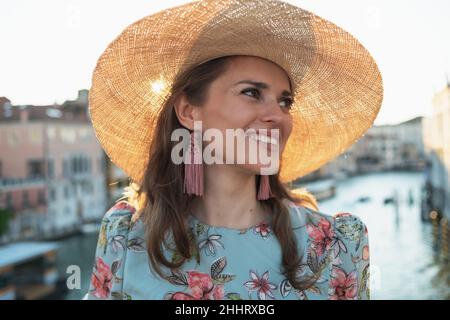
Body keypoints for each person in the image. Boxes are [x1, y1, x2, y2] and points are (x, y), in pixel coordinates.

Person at [86, 0, 382, 300]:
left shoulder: (336, 246)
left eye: (285, 102)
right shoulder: (124, 241)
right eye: (252, 93)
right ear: (189, 112)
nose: (278, 116)